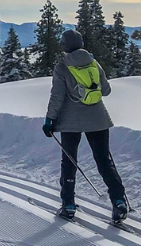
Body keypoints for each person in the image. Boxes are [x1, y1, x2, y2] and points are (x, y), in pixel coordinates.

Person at [42, 29, 129, 223]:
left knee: (69, 162)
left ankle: (69, 205)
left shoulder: (62, 66)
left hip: (70, 121)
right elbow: (106, 90)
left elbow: (57, 96)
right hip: (98, 118)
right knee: (104, 161)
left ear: (65, 45)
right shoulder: (93, 63)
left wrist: (49, 120)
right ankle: (118, 201)